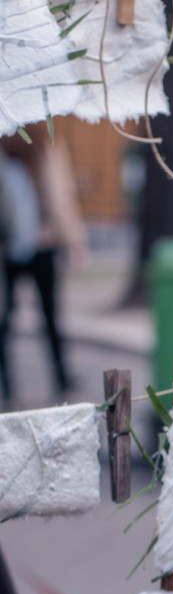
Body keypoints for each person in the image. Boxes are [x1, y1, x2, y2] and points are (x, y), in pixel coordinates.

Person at [0, 125, 85, 403]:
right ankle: (11, 385)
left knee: (47, 315)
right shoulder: (37, 142)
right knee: (9, 318)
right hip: (13, 246)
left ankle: (60, 378)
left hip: (42, 241)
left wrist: (71, 238)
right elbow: (61, 193)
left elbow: (60, 192)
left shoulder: (45, 142)